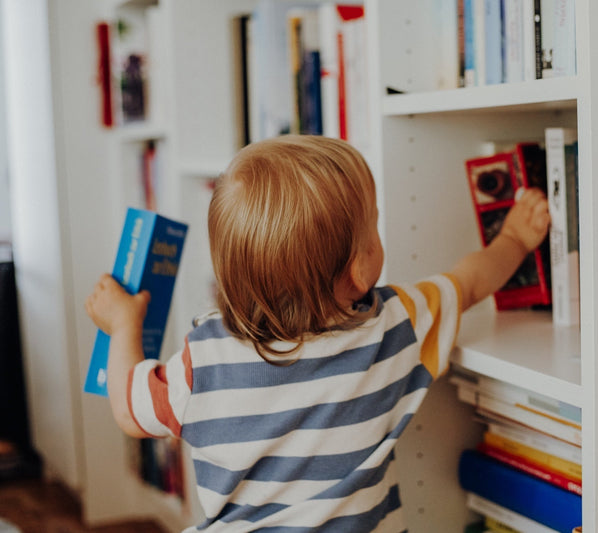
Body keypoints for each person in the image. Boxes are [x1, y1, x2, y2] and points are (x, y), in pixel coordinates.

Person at [85, 135, 550, 532]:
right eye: (374, 225)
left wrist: (125, 322)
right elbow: (468, 283)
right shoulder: (393, 326)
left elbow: (132, 410)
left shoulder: (204, 361)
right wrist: (515, 239)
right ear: (358, 271)